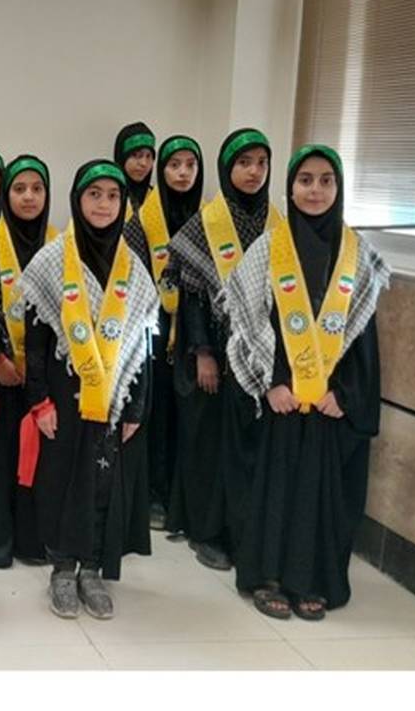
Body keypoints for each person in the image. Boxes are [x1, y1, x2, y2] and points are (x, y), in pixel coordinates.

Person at [223, 144, 388, 621]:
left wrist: (346, 394)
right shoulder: (267, 249)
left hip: (329, 403)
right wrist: (271, 382)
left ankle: (311, 580)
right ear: (290, 187)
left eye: (326, 181)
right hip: (282, 398)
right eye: (305, 180)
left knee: (320, 494)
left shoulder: (358, 255)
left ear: (339, 188)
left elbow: (363, 335)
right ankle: (269, 577)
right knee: (275, 491)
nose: (315, 190)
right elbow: (250, 323)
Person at [17, 159, 158, 620]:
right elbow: (35, 339)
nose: (103, 204)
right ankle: (62, 567)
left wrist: (136, 408)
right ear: (77, 200)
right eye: (94, 194)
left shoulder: (134, 269)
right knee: (62, 479)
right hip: (63, 394)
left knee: (104, 483)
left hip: (115, 399)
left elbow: (143, 344)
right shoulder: (50, 261)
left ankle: (93, 568)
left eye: (113, 196)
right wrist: (39, 400)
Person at [165, 128, 283, 572]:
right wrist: (203, 353)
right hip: (212, 354)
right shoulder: (205, 224)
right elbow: (193, 296)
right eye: (244, 163)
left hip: (258, 357)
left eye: (261, 163)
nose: (254, 172)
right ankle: (206, 531)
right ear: (226, 168)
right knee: (208, 444)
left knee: (246, 446)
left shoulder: (278, 225)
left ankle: (241, 529)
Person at [0, 154, 58, 568]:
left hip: (47, 376)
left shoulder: (60, 246)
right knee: (3, 457)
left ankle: (34, 540)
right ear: (7, 195)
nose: (28, 197)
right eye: (19, 189)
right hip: (2, 376)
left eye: (37, 189)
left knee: (41, 457)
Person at [121, 135, 205, 530]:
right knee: (154, 418)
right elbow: (129, 279)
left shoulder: (209, 220)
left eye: (190, 165)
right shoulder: (141, 222)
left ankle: (181, 499)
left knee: (190, 423)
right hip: (150, 334)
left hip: (195, 335)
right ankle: (152, 495)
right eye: (174, 165)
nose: (183, 173)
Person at [114, 121, 156, 215]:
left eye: (148, 156)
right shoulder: (109, 198)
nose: (144, 163)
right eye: (136, 155)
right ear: (122, 158)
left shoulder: (156, 198)